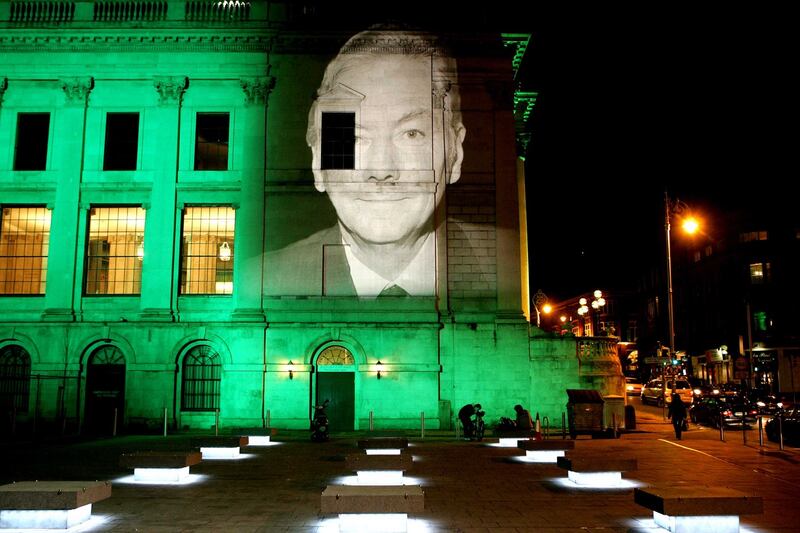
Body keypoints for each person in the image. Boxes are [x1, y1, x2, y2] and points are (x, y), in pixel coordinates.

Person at [267, 27, 466, 297]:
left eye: (411, 134)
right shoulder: (266, 278)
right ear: (318, 163)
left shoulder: (503, 276)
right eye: (354, 137)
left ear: (455, 153)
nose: (381, 170)